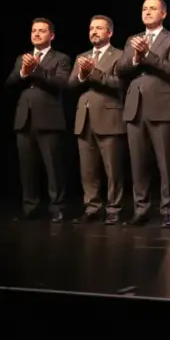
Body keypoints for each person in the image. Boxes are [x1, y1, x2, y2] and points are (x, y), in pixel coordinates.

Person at [116, 0, 170, 228]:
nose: (147, 12)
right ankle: (141, 210)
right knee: (138, 164)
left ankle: (168, 210)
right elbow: (121, 69)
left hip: (162, 107)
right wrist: (136, 58)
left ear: (163, 13)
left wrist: (148, 55)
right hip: (135, 108)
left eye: (153, 8)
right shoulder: (132, 39)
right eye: (144, 8)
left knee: (166, 163)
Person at [5, 18, 71, 222]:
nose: (36, 34)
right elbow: (10, 84)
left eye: (41, 31)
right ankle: (30, 208)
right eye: (34, 30)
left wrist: (37, 70)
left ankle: (57, 208)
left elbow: (61, 83)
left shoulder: (61, 58)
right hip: (24, 120)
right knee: (27, 168)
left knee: (53, 168)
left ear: (51, 35)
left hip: (49, 120)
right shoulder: (22, 58)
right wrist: (23, 72)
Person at [69, 15, 125, 225]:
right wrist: (82, 75)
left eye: (99, 28)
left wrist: (93, 73)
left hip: (109, 118)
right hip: (84, 119)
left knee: (113, 169)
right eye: (91, 28)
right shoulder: (82, 56)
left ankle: (114, 208)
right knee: (88, 170)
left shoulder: (120, 55)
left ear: (109, 32)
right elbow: (71, 85)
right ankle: (92, 207)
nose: (94, 31)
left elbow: (120, 83)